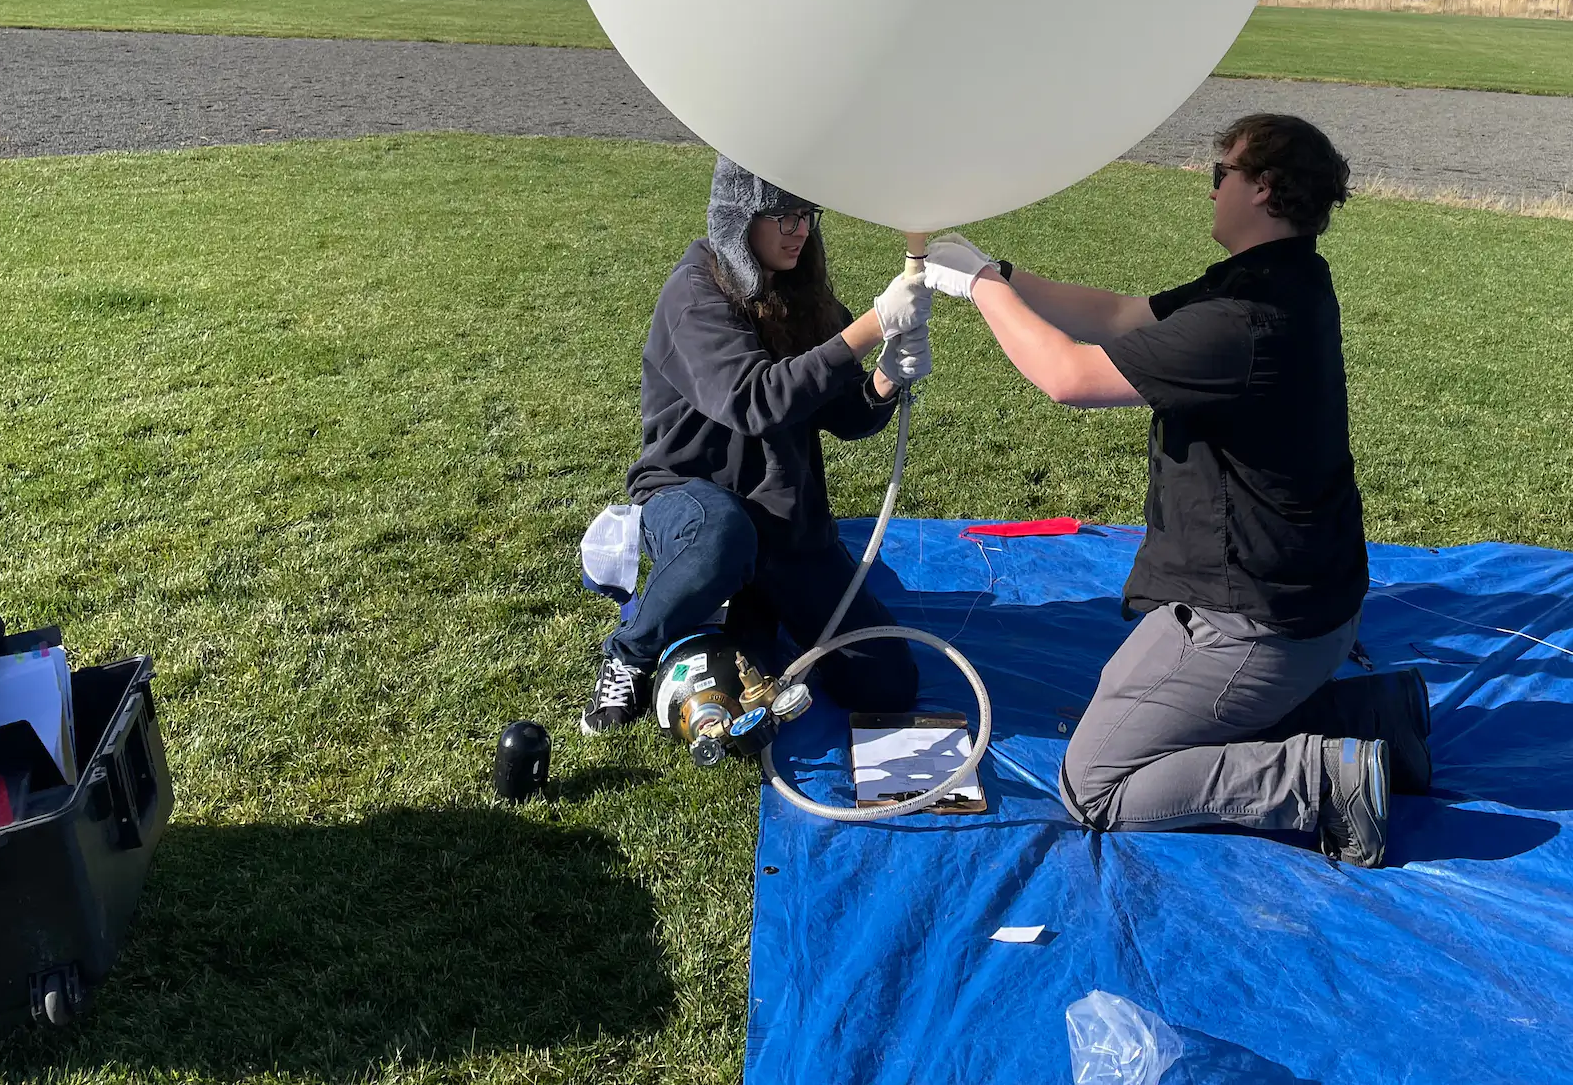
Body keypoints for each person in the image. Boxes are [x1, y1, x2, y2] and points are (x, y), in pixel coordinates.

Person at [921, 113, 1430, 866]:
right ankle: (1372, 718)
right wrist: (999, 273)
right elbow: (1121, 316)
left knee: (1094, 781)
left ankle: (1324, 779)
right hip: (1314, 616)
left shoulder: (1244, 321)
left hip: (1256, 625)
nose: (1211, 186)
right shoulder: (1282, 277)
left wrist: (979, 286)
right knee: (1126, 707)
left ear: (1261, 188)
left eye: (1221, 173)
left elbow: (1070, 376)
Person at [582, 155, 933, 734]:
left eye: (807, 215)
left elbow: (845, 414)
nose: (799, 230)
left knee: (887, 684)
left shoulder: (803, 296)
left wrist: (886, 378)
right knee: (722, 535)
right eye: (781, 215)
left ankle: (755, 615)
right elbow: (754, 400)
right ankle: (631, 651)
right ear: (738, 220)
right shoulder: (694, 293)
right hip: (690, 498)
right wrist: (871, 327)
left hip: (783, 518)